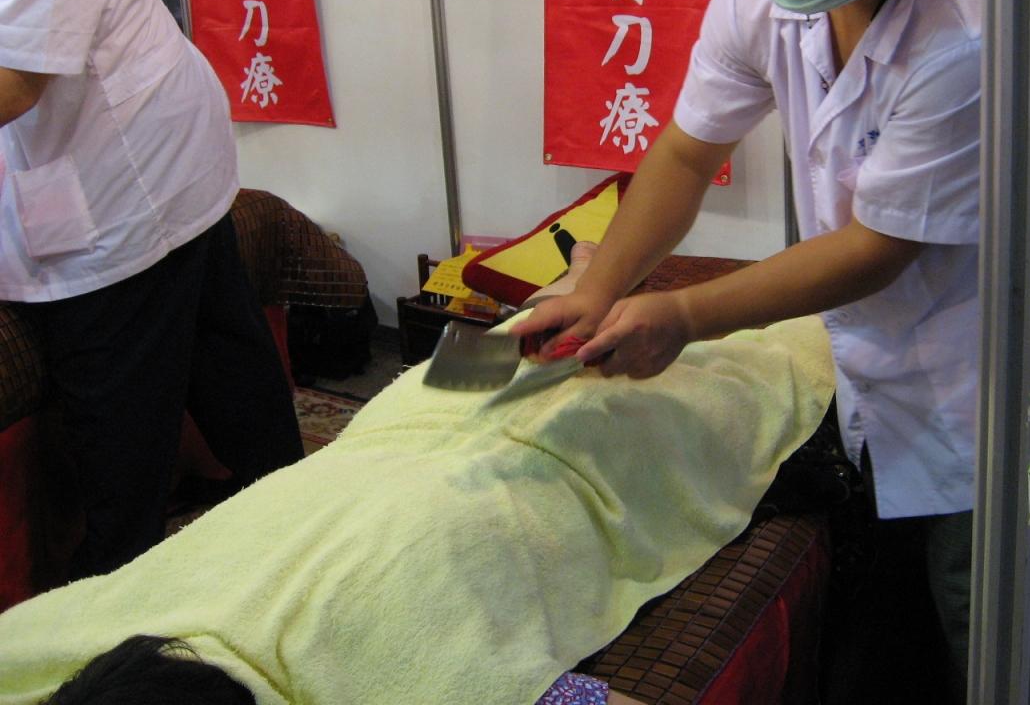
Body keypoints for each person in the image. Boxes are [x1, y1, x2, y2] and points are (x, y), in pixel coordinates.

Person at [514, 0, 980, 699]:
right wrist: (600, 287)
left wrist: (685, 315)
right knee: (882, 615)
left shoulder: (963, 38)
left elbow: (877, 248)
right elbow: (687, 153)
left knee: (974, 610)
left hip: (973, 366)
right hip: (866, 357)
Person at [0, 244, 836, 705]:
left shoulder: (98, 636)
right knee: (661, 386)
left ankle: (582, 281)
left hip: (406, 446)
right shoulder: (98, 630)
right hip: (506, 467)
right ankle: (586, 283)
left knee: (537, 358)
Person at [0, 0, 303, 578]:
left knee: (118, 421)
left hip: (125, 186)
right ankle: (296, 519)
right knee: (222, 353)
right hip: (144, 155)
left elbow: (15, 85)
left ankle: (123, 591)